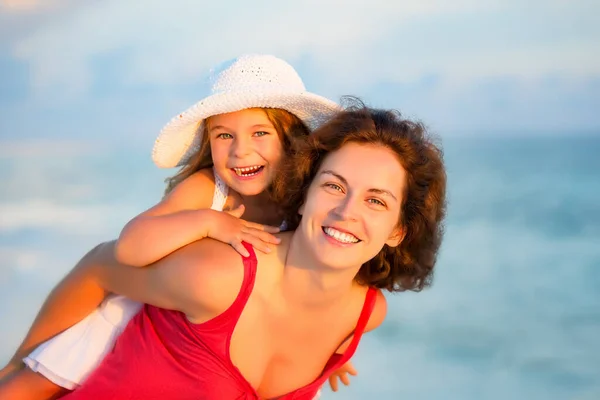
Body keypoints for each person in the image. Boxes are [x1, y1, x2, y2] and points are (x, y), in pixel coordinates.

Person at [3, 100, 447, 399]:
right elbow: (104, 263)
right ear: (305, 190)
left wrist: (329, 362)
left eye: (376, 200)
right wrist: (22, 357)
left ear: (398, 230)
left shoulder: (365, 316)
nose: (347, 211)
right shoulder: (215, 274)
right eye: (334, 186)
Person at [0, 54, 348, 399]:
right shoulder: (209, 190)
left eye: (260, 133)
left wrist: (326, 348)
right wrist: (209, 222)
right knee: (32, 386)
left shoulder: (302, 206)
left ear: (292, 140)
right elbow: (128, 247)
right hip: (137, 317)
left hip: (200, 344)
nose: (240, 151)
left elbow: (311, 281)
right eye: (223, 135)